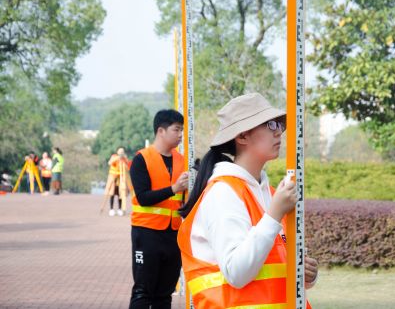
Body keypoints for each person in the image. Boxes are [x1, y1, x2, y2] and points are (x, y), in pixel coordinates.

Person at [177, 93, 318, 308]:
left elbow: (271, 266)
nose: (279, 131)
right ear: (242, 136)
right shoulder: (223, 193)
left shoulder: (271, 194)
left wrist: (304, 272)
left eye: (279, 124)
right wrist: (273, 216)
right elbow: (237, 272)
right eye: (270, 125)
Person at [128, 109, 189, 309]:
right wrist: (174, 189)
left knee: (164, 294)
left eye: (182, 130)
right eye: (177, 129)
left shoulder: (183, 161)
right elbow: (143, 197)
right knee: (143, 292)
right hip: (146, 234)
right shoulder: (141, 159)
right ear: (161, 131)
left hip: (173, 235)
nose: (181, 134)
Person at [105, 148, 129, 216]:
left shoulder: (124, 159)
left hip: (121, 178)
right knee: (111, 193)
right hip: (113, 177)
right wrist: (118, 158)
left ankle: (119, 209)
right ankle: (111, 209)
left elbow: (128, 167)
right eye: (120, 152)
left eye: (122, 152)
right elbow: (110, 163)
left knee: (120, 194)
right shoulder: (114, 156)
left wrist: (124, 160)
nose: (121, 153)